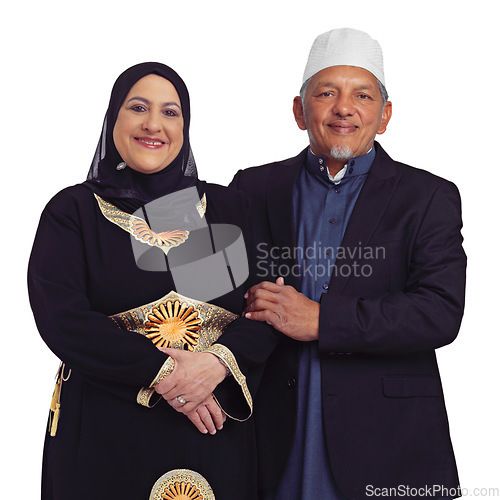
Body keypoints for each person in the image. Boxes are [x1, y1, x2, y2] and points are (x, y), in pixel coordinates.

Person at [230, 29, 466, 500]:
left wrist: (321, 320)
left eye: (362, 94)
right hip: (270, 440)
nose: (343, 107)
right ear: (300, 111)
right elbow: (210, 292)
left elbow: (440, 312)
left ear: (384, 115)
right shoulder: (252, 188)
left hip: (388, 443)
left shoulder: (428, 197)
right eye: (326, 93)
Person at [28, 62, 276, 500]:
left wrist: (217, 363)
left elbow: (267, 309)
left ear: (185, 126)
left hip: (214, 432)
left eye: (170, 112)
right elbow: (62, 318)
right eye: (138, 107)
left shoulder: (231, 209)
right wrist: (163, 373)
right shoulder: (74, 213)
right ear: (114, 120)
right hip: (106, 432)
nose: (153, 124)